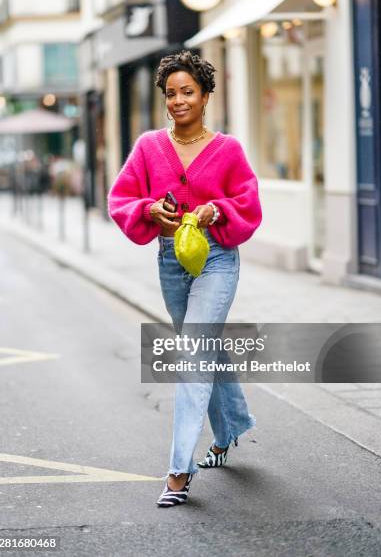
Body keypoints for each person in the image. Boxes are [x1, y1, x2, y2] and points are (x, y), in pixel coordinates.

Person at [107, 50, 262, 507]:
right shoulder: (149, 147)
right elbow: (121, 199)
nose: (177, 100)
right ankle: (231, 429)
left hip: (217, 257)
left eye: (187, 92)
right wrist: (148, 209)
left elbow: (248, 203)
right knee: (204, 346)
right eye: (170, 93)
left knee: (193, 352)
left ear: (206, 95)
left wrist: (220, 209)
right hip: (170, 258)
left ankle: (179, 470)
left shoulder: (228, 149)